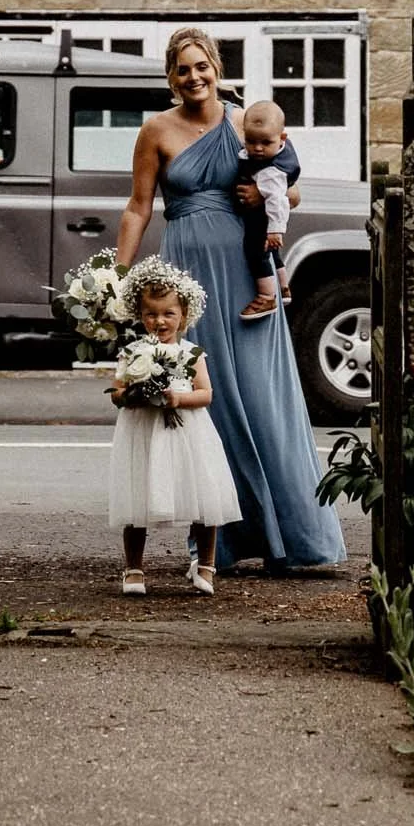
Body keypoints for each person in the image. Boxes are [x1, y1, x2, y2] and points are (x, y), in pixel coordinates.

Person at [114, 26, 346, 576]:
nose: (194, 77)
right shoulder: (156, 131)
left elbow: (291, 189)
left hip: (246, 274)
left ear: (217, 67)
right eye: (182, 69)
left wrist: (258, 194)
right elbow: (138, 208)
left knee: (265, 398)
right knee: (208, 402)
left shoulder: (247, 122)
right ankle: (222, 543)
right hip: (188, 277)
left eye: (203, 66)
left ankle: (294, 537)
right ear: (170, 77)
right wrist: (118, 277)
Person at [107, 256, 240, 597]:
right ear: (140, 316)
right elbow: (117, 393)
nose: (159, 321)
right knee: (138, 498)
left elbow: (206, 394)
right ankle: (133, 568)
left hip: (187, 433)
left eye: (168, 314)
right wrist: (134, 395)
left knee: (201, 495)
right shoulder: (132, 352)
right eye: (151, 314)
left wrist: (178, 400)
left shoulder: (191, 352)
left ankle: (206, 565)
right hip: (145, 434)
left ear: (184, 315)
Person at [235, 98, 301, 320]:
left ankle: (266, 296)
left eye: (265, 142)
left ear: (282, 138)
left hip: (264, 219)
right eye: (251, 142)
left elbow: (278, 201)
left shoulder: (270, 171)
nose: (258, 148)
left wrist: (275, 229)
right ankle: (283, 287)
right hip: (266, 219)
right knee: (272, 252)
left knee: (256, 253)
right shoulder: (279, 151)